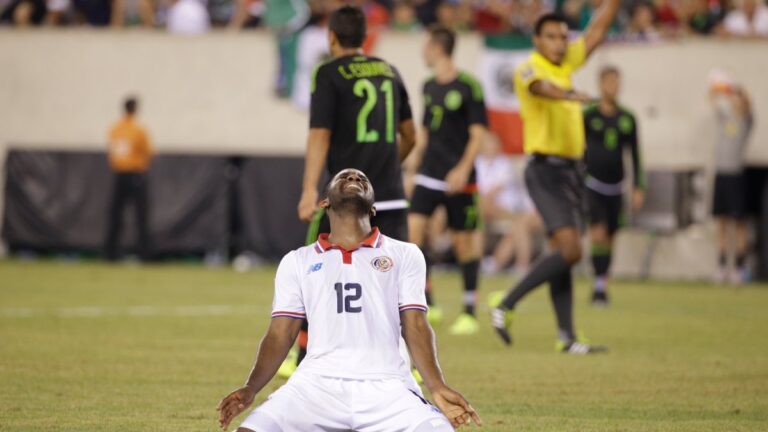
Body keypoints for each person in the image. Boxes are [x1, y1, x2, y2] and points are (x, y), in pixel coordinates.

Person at [217, 168, 482, 432]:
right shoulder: (297, 261)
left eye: (362, 179)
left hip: (388, 386)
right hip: (314, 385)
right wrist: (251, 388)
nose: (354, 179)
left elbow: (416, 325)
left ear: (374, 208)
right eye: (344, 177)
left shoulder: (406, 254)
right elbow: (280, 333)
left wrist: (436, 386)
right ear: (325, 203)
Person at [284, 4, 417, 377]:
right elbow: (411, 136)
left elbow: (319, 133)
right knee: (398, 282)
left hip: (344, 200)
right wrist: (389, 166)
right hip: (388, 193)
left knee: (317, 269)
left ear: (331, 36)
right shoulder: (389, 71)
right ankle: (409, 364)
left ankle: (304, 357)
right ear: (364, 36)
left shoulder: (328, 73)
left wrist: (310, 189)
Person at [490, 5, 620, 354]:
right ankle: (506, 304)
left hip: (572, 172)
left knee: (564, 253)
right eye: (551, 36)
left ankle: (567, 337)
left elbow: (595, 32)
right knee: (572, 250)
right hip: (545, 170)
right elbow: (539, 87)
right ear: (537, 40)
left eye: (564, 36)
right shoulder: (530, 67)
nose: (560, 43)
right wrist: (569, 95)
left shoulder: (567, 63)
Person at [405, 24, 488, 334]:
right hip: (429, 173)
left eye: (426, 45)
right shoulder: (428, 86)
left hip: (458, 176)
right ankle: (427, 300)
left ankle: (469, 311)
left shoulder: (469, 86)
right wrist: (412, 169)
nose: (423, 51)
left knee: (463, 241)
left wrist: (464, 168)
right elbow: (425, 131)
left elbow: (478, 134)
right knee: (413, 234)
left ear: (438, 48)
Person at [583, 66, 645, 306]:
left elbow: (636, 154)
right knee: (597, 234)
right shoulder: (588, 116)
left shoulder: (627, 119)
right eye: (608, 82)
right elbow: (579, 149)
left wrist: (638, 186)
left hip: (616, 186)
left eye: (616, 82)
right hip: (593, 184)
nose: (613, 87)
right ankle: (598, 286)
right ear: (600, 85)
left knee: (610, 237)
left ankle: (602, 284)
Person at [476, 134, 543, 276]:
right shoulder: (477, 163)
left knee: (518, 225)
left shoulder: (504, 164)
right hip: (501, 210)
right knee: (515, 228)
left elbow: (495, 191)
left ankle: (507, 265)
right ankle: (497, 264)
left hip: (513, 211)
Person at [710, 80, 753, 284]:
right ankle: (721, 266)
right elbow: (711, 99)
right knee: (722, 222)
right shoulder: (725, 118)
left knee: (738, 223)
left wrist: (738, 90)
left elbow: (747, 105)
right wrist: (720, 87)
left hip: (736, 176)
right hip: (721, 175)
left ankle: (740, 266)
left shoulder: (745, 121)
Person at [104, 96, 153, 262]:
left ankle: (111, 253)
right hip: (135, 174)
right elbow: (148, 152)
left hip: (119, 174)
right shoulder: (138, 130)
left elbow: (112, 151)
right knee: (141, 216)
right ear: (135, 109)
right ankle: (144, 254)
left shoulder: (115, 128)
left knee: (116, 215)